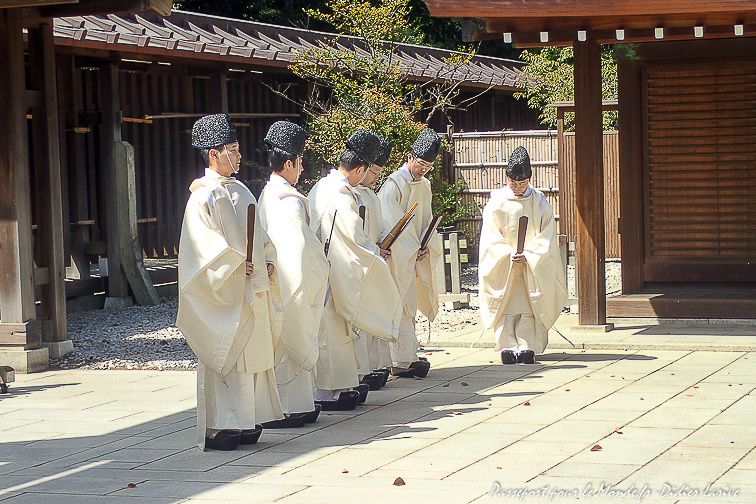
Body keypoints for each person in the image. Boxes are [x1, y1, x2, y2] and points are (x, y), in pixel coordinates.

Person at [177, 114, 284, 451]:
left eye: (238, 151)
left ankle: (246, 418)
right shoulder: (202, 197)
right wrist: (237, 265)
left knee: (250, 352)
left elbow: (261, 236)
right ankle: (222, 425)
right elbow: (202, 248)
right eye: (232, 151)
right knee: (227, 352)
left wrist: (267, 260)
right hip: (225, 289)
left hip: (248, 285)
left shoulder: (241, 191)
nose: (239, 157)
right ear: (213, 153)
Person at [308, 129, 402, 410]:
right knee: (330, 330)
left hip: (328, 267)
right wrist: (375, 255)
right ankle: (326, 391)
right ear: (359, 169)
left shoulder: (322, 187)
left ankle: (339, 385)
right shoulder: (339, 196)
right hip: (331, 270)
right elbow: (350, 240)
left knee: (337, 330)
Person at [258, 121, 329, 427]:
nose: (302, 168)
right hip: (290, 278)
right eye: (300, 161)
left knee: (285, 340)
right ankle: (287, 407)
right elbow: (296, 247)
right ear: (289, 163)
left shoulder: (271, 195)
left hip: (280, 278)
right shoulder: (286, 202)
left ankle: (296, 402)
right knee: (290, 337)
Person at [478, 146, 567, 365]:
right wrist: (507, 253)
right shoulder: (496, 201)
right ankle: (507, 345)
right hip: (505, 263)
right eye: (513, 182)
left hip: (530, 263)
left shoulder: (539, 201)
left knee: (529, 304)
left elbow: (547, 234)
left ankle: (528, 345)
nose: (517, 187)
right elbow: (490, 235)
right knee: (506, 303)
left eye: (522, 183)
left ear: (530, 178)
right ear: (506, 177)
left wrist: (529, 254)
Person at [377, 127, 443, 378]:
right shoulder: (392, 185)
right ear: (409, 157)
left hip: (413, 253)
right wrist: (411, 247)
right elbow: (390, 221)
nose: (423, 169)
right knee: (397, 303)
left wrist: (426, 244)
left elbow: (425, 219)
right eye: (421, 163)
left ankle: (407, 356)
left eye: (428, 166)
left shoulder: (424, 186)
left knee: (410, 303)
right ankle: (396, 359)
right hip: (397, 255)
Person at [352, 134, 395, 389]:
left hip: (374, 257)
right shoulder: (351, 195)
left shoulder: (372, 196)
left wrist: (386, 242)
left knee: (375, 312)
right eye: (374, 172)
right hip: (360, 260)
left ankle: (376, 365)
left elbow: (379, 227)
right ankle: (361, 369)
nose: (376, 177)